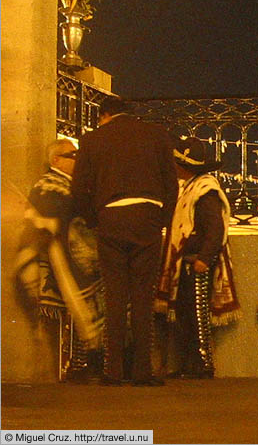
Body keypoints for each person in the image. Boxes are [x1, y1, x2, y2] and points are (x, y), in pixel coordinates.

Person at [71, 97, 179, 386]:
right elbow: (171, 182)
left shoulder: (92, 139)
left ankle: (113, 370)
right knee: (143, 296)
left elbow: (79, 187)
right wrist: (162, 219)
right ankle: (142, 370)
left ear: (105, 115)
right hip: (148, 216)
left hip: (111, 218)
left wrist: (94, 220)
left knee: (115, 296)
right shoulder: (156, 135)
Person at [15, 138, 104, 382]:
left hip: (77, 258)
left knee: (82, 310)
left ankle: (85, 361)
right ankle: (82, 363)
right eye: (72, 156)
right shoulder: (49, 185)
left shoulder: (67, 184)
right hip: (61, 261)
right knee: (76, 309)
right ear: (56, 160)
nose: (77, 160)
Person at [155, 137, 240, 379]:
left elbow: (215, 228)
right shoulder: (193, 188)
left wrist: (204, 257)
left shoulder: (205, 191)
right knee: (184, 315)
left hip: (196, 262)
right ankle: (187, 365)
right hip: (187, 262)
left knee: (196, 314)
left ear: (183, 166)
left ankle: (203, 364)